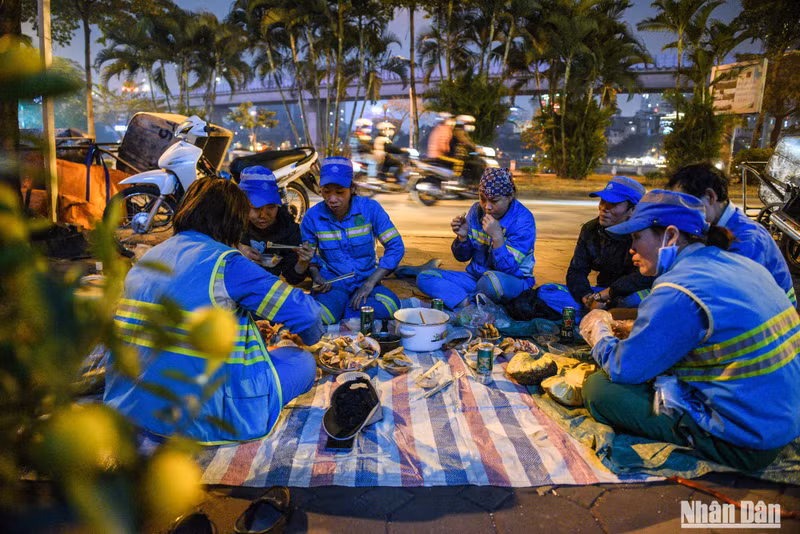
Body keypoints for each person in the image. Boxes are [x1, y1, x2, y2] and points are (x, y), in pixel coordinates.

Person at [579, 190, 800, 471]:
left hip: (745, 440)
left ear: (670, 236)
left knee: (599, 389)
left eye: (636, 237)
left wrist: (597, 329)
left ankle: (696, 433)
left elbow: (625, 368)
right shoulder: (738, 263)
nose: (631, 249)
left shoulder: (678, 289)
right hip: (783, 420)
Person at [104, 178, 324, 443]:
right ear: (234, 220)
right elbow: (308, 316)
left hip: (132, 405)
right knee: (302, 361)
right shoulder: (227, 262)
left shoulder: (147, 257)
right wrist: (309, 340)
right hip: (202, 416)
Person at [668, 163, 795, 306]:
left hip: (774, 318)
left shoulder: (746, 239)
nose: (682, 213)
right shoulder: (720, 226)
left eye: (686, 204)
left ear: (710, 196)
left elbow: (731, 295)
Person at [300, 157, 405, 325]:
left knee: (392, 305)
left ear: (352, 188)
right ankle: (349, 311)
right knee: (324, 316)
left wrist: (371, 282)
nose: (332, 199)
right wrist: (316, 275)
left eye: (340, 192)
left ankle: (345, 312)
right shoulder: (312, 217)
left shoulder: (370, 209)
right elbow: (310, 258)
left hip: (367, 279)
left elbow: (396, 247)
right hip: (334, 284)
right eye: (326, 191)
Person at [416, 168, 536, 309]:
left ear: (510, 197)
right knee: (425, 277)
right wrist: (462, 238)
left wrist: (497, 238)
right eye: (482, 199)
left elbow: (509, 270)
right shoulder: (475, 210)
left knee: (491, 283)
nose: (487, 207)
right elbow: (462, 257)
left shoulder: (523, 220)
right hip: (475, 278)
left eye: (494, 201)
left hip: (509, 281)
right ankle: (467, 303)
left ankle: (459, 300)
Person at [566, 176, 654, 310]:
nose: (603, 208)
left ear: (633, 210)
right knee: (548, 292)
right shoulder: (591, 229)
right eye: (603, 201)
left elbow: (644, 277)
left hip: (631, 293)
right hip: (600, 292)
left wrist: (608, 294)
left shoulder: (645, 233)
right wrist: (587, 297)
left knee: (630, 302)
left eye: (613, 204)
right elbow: (576, 270)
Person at [237, 166, 313, 285]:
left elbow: (292, 278)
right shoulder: (231, 221)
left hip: (268, 288)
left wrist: (302, 263)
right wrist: (237, 247)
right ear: (242, 204)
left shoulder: (286, 226)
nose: (264, 215)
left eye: (271, 207)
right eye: (256, 208)